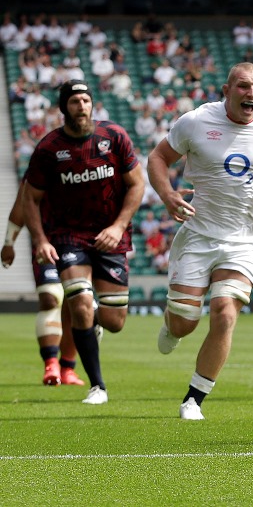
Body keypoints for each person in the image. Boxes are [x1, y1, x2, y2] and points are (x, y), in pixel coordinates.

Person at [147, 63, 253, 420]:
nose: (251, 93)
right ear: (226, 89)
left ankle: (194, 399)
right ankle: (174, 326)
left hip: (245, 239)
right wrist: (167, 193)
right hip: (199, 234)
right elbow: (158, 157)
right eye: (244, 86)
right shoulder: (194, 122)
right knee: (186, 320)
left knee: (224, 312)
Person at [22, 79, 144, 405]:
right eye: (75, 101)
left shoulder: (114, 137)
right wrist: (40, 239)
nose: (82, 106)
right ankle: (97, 386)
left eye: (86, 100)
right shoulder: (48, 149)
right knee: (78, 302)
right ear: (64, 107)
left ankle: (89, 327)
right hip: (68, 236)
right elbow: (30, 199)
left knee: (115, 322)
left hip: (110, 236)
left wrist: (119, 226)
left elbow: (137, 185)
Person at [3, 180, 85, 386]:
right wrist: (9, 243)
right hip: (47, 243)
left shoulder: (88, 162)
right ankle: (51, 365)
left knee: (76, 303)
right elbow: (22, 203)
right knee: (50, 298)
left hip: (81, 244)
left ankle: (68, 367)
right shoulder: (43, 162)